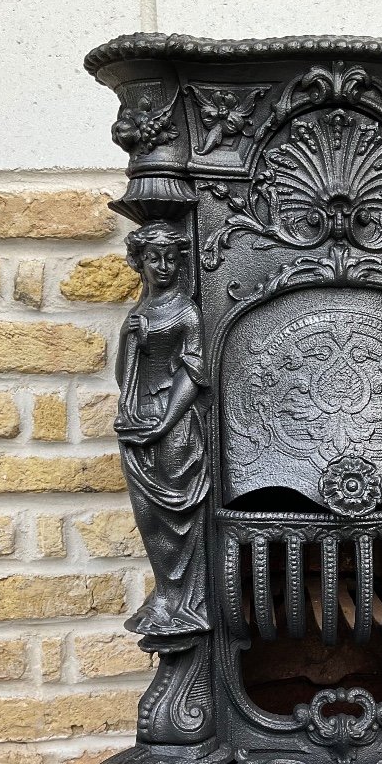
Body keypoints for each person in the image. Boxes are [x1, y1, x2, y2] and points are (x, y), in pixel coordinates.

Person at [114, 220, 211, 638]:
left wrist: (163, 425)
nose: (164, 266)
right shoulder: (139, 313)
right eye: (154, 258)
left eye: (171, 258)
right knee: (148, 517)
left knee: (178, 513)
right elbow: (123, 375)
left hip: (172, 423)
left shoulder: (186, 312)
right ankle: (166, 594)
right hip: (137, 418)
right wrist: (129, 341)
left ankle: (184, 600)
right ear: (140, 262)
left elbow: (193, 376)